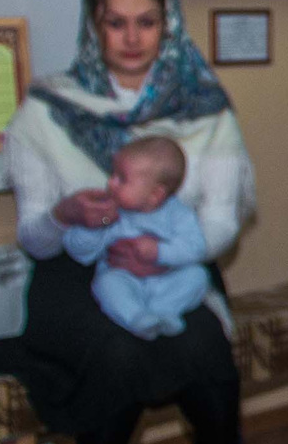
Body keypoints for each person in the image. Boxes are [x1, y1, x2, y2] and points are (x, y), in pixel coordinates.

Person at [0, 0, 255, 444]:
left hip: (176, 264)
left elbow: (222, 220)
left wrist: (163, 254)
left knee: (203, 345)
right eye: (116, 23)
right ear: (93, 23)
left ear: (167, 23)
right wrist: (64, 214)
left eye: (146, 22)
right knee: (116, 352)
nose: (131, 39)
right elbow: (36, 239)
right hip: (76, 274)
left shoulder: (203, 108)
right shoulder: (46, 110)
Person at [66, 138, 211, 340]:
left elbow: (195, 248)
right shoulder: (110, 211)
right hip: (124, 279)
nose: (110, 183)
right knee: (106, 284)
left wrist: (159, 251)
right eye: (112, 174)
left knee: (198, 276)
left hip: (168, 279)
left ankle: (164, 312)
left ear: (155, 195)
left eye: (122, 179)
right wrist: (98, 224)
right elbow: (78, 251)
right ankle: (137, 318)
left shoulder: (179, 214)